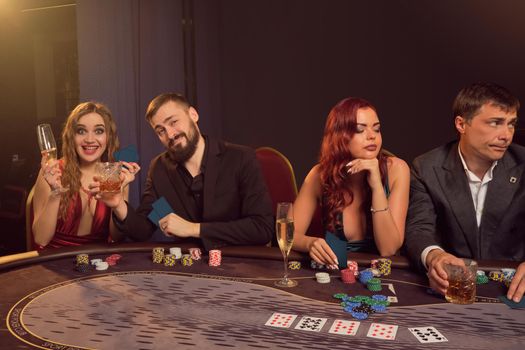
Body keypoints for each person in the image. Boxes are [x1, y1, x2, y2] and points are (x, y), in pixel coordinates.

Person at [404, 82, 525, 302]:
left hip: (514, 292)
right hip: (451, 292)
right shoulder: (426, 167)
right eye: (496, 123)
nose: (506, 135)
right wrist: (435, 256)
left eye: (511, 124)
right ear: (461, 124)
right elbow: (418, 229)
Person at [106, 93, 274, 250]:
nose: (170, 134)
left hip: (240, 266)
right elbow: (143, 229)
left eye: (173, 122)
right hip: (188, 271)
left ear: (193, 115)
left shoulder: (240, 158)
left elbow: (262, 228)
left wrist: (194, 229)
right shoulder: (160, 169)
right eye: (160, 131)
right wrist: (118, 204)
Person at [292, 97, 410, 267]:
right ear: (340, 136)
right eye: (360, 130)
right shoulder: (320, 175)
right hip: (338, 275)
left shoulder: (397, 169)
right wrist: (309, 243)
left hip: (385, 279)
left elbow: (388, 249)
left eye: (376, 129)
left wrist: (377, 185)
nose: (372, 137)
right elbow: (288, 235)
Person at [32, 102, 140, 248]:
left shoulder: (115, 175)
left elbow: (117, 237)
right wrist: (55, 193)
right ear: (71, 136)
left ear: (108, 137)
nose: (90, 139)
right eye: (81, 131)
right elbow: (41, 239)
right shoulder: (53, 172)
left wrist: (118, 202)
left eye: (99, 131)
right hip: (56, 262)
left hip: (98, 264)